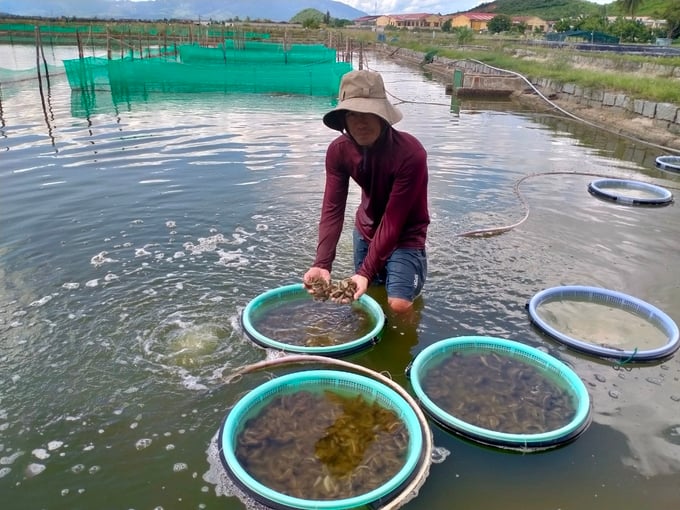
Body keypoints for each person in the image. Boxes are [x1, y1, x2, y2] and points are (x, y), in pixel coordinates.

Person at [303, 69, 430, 314]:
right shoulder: (338, 151)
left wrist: (364, 272)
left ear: (382, 115)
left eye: (368, 114)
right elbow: (332, 210)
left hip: (406, 232)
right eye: (352, 114)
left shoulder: (411, 154)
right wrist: (322, 263)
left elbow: (394, 221)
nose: (361, 123)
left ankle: (406, 337)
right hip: (366, 228)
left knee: (400, 305)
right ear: (343, 120)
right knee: (367, 293)